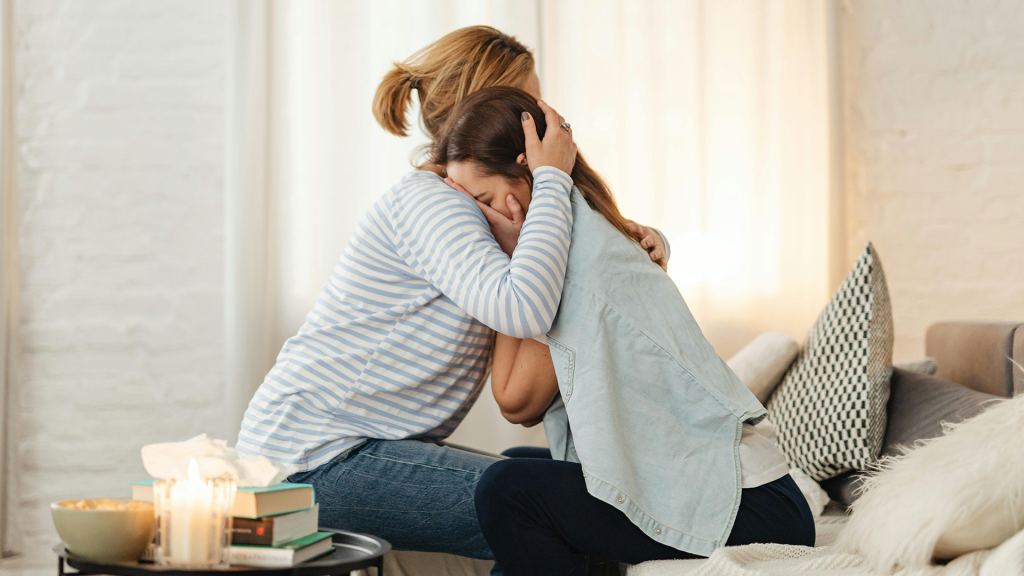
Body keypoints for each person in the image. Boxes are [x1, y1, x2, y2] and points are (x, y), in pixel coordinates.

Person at [234, 25, 670, 564]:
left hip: (346, 451)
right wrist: (554, 178)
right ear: (484, 112)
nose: (542, 115)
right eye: (528, 105)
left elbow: (551, 286)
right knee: (544, 512)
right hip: (309, 460)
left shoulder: (478, 210)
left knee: (546, 492)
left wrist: (639, 238)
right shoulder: (433, 204)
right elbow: (525, 306)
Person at [431, 86, 816, 575]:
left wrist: (514, 261)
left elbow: (515, 401)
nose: (477, 220)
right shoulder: (581, 230)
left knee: (507, 488)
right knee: (519, 467)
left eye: (482, 199)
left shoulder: (577, 256)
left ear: (528, 173)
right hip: (738, 495)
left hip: (752, 506)